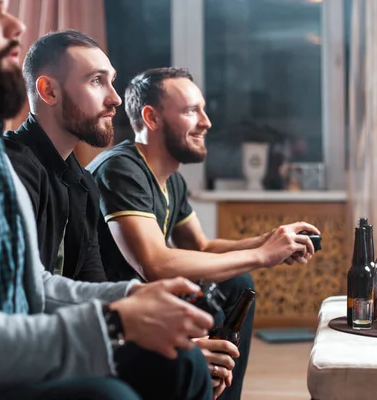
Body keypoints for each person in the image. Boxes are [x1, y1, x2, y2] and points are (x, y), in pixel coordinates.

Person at [0, 2, 214, 400]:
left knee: (181, 362)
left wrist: (131, 297)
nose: (17, 24)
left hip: (4, 364)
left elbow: (33, 286)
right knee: (106, 397)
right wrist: (115, 325)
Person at [4, 30, 238, 400]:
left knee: (194, 349)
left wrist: (168, 327)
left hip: (74, 331)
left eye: (111, 81)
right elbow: (25, 300)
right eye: (97, 81)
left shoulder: (82, 182)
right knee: (184, 361)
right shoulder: (13, 169)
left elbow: (95, 285)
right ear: (48, 91)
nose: (114, 99)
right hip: (28, 347)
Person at [86, 67, 321, 399]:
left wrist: (272, 240)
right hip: (115, 314)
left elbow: (201, 245)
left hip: (149, 297)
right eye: (190, 111)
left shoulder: (172, 180)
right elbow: (154, 263)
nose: (206, 122)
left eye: (203, 109)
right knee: (233, 283)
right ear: (151, 118)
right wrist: (261, 256)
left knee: (237, 284)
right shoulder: (122, 169)